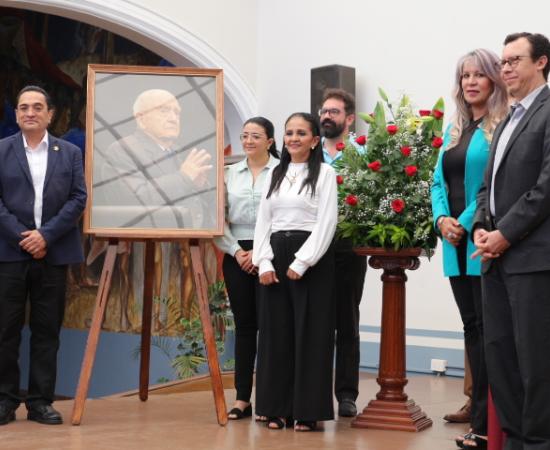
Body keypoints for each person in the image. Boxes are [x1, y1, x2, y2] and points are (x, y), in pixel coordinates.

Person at [472, 32, 550, 450]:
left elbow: (545, 188)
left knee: (534, 361)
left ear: (541, 62)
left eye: (514, 60)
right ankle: (517, 441)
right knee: (500, 357)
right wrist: (483, 225)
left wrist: (506, 233)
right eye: (502, 62)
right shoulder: (505, 120)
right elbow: (488, 186)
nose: (505, 69)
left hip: (533, 259)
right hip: (495, 257)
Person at [431, 48, 508, 450]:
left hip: (480, 241)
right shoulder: (455, 130)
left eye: (479, 74)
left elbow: (490, 186)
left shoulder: (500, 126)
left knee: (487, 335)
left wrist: (461, 223)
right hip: (453, 245)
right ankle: (479, 422)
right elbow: (436, 183)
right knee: (472, 332)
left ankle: (485, 426)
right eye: (465, 76)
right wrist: (441, 220)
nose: (471, 82)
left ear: (494, 79)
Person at [0, 85, 87, 425]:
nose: (30, 113)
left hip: (53, 253)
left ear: (50, 114)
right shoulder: (2, 150)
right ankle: (5, 400)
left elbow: (78, 198)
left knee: (47, 331)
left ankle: (39, 402)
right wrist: (23, 236)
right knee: (5, 331)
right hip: (9, 252)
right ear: (17, 114)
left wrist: (45, 235)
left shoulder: (68, 152)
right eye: (23, 107)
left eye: (37, 107)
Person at [252, 112, 337, 432]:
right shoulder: (274, 173)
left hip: (310, 258)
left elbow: (327, 221)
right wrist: (263, 261)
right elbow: (263, 220)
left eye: (301, 133)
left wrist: (303, 261)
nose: (293, 138)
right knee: (276, 335)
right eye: (289, 133)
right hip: (275, 254)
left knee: (310, 334)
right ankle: (276, 409)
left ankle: (306, 411)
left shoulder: (325, 173)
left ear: (315, 140)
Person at [213, 117, 279, 420]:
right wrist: (239, 252)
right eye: (244, 136)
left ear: (270, 141)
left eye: (256, 136)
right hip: (236, 254)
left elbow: (286, 217)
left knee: (272, 327)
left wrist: (262, 252)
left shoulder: (283, 172)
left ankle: (269, 400)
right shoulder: (228, 174)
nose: (249, 141)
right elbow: (216, 220)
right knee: (244, 328)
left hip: (274, 253)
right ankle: (242, 398)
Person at [94, 88, 214, 229]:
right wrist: (184, 178)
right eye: (164, 111)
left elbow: (196, 200)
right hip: (147, 242)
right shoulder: (122, 150)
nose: (173, 118)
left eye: (177, 112)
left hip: (189, 240)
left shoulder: (177, 151)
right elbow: (135, 198)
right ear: (141, 119)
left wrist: (199, 186)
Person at [319, 88, 367, 417]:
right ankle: (313, 391)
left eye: (333, 112)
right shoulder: (308, 154)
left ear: (349, 119)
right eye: (323, 111)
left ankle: (347, 394)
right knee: (314, 321)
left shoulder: (362, 154)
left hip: (349, 247)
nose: (326, 116)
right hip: (311, 248)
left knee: (347, 322)